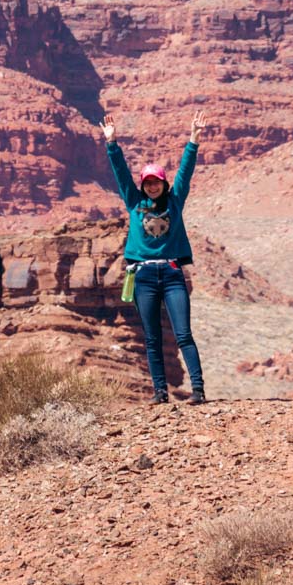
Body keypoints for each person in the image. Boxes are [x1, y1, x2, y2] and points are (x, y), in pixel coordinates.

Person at [100, 109, 207, 405]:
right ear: (143, 184)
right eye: (147, 182)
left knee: (183, 333)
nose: (152, 185)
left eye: (156, 181)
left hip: (172, 274)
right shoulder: (134, 202)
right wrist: (112, 144)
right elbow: (120, 173)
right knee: (152, 338)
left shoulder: (174, 201)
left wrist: (193, 140)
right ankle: (160, 393)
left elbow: (185, 171)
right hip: (144, 276)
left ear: (163, 182)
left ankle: (198, 389)